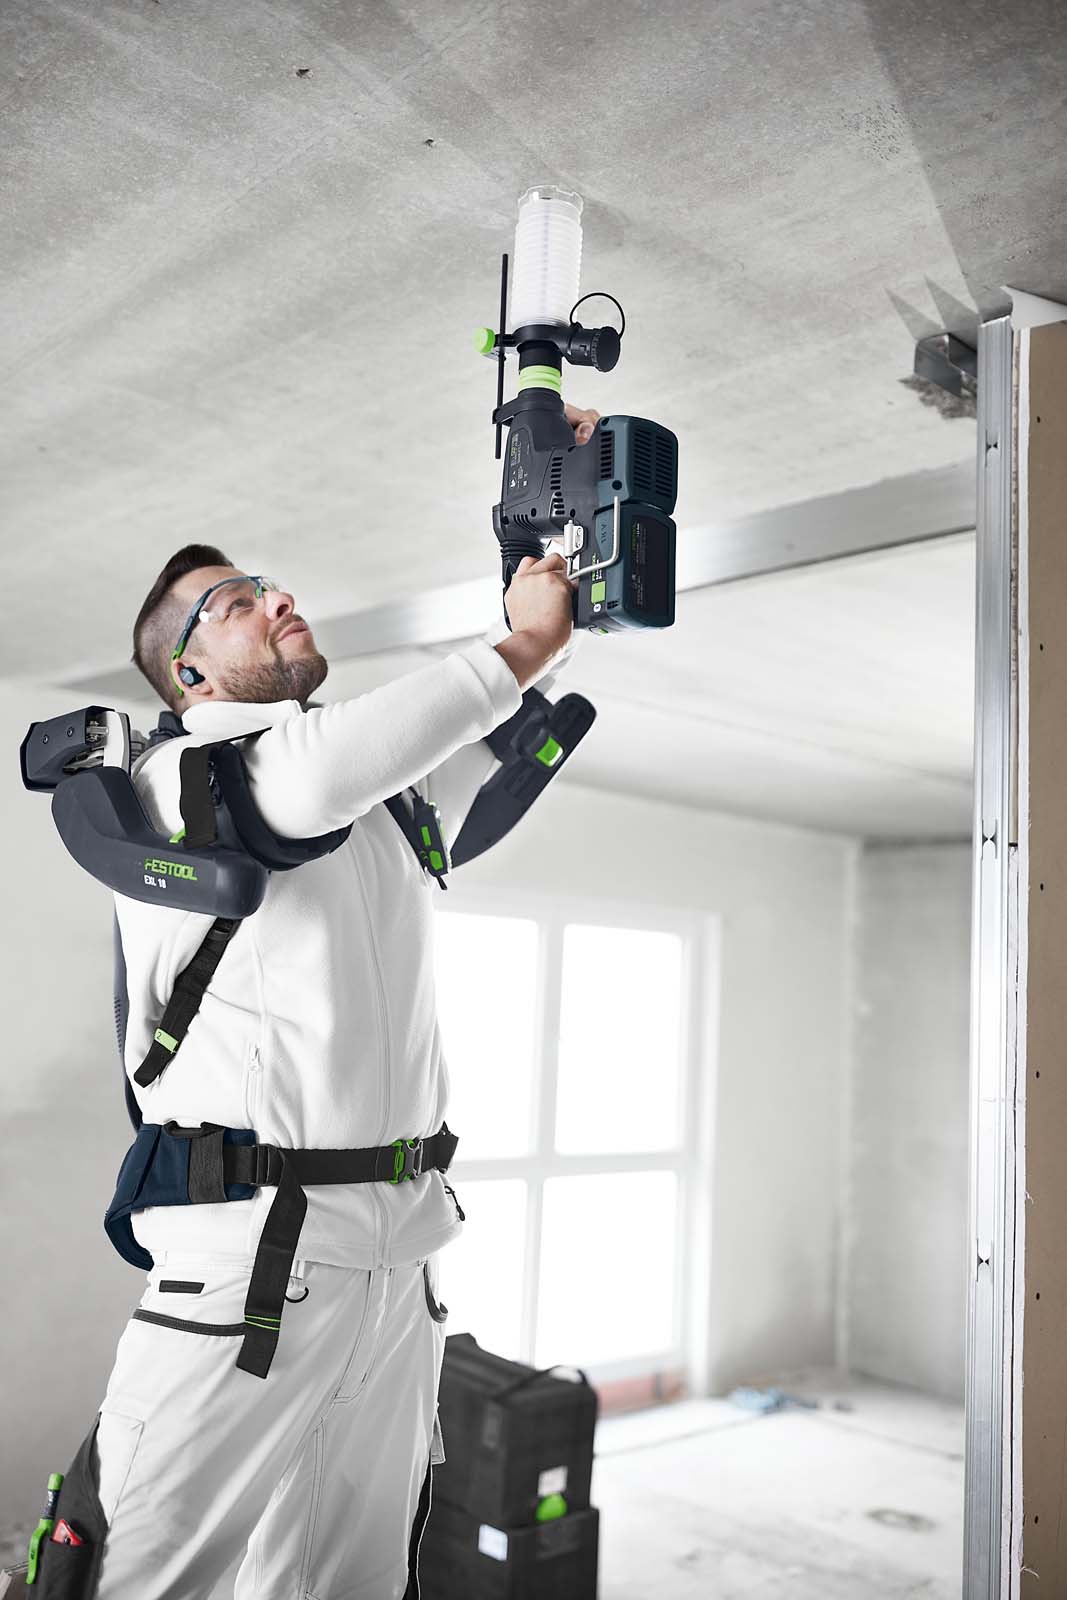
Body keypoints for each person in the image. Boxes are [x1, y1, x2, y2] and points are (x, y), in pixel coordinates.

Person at [64, 405, 599, 1600]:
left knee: (346, 1579)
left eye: (269, 583)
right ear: (189, 671)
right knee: (147, 1578)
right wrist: (515, 644)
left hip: (396, 1262)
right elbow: (323, 768)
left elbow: (482, 729)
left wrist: (553, 553)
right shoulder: (176, 779)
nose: (277, 597)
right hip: (247, 1262)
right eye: (235, 600)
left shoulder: (379, 801)